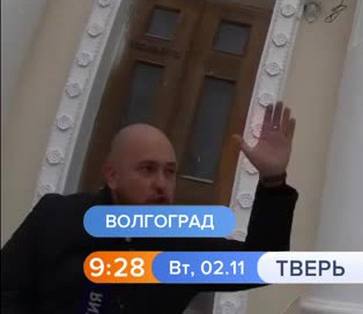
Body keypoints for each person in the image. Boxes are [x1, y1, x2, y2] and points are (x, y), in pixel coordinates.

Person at [0, 102, 300, 313]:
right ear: (112, 176)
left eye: (169, 172)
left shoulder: (182, 246)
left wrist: (273, 180)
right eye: (147, 169)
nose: (161, 183)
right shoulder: (56, 217)